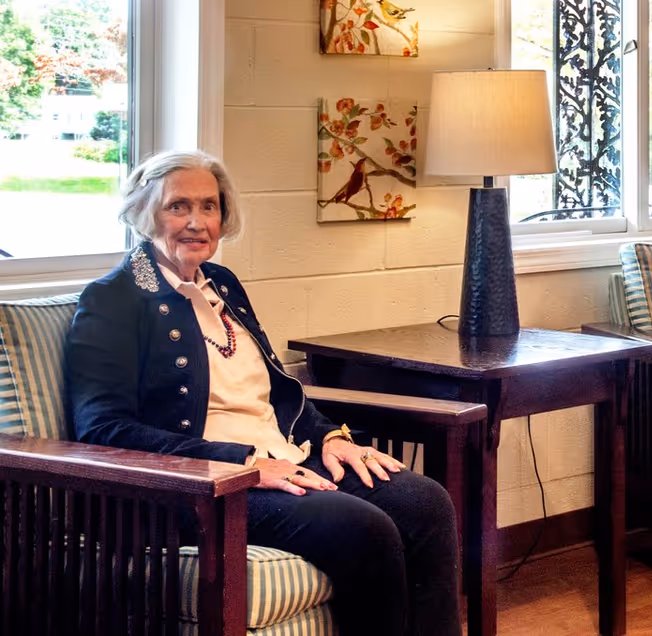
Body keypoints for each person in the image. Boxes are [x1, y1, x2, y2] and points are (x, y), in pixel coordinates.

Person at [67, 150, 461, 636]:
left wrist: (332, 438)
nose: (197, 222)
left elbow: (275, 391)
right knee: (364, 528)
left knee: (425, 502)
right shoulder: (114, 298)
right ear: (144, 213)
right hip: (206, 483)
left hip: (283, 458)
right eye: (178, 207)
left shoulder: (223, 284)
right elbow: (103, 428)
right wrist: (241, 463)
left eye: (209, 207)